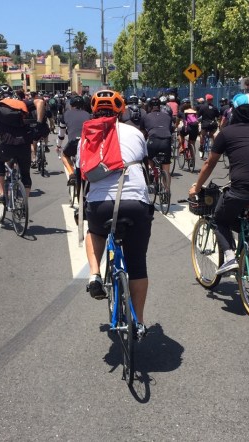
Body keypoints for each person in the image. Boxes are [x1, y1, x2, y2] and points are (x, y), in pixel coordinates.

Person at [83, 90, 152, 338]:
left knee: (94, 231)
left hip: (101, 206)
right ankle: (139, 322)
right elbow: (144, 160)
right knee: (137, 264)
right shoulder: (134, 132)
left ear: (94, 111)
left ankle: (94, 275)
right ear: (121, 110)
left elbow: (83, 171)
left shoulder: (87, 135)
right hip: (134, 202)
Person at [188, 93, 249, 274]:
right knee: (247, 217)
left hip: (240, 191)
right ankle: (246, 252)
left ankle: (229, 257)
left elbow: (209, 163)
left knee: (219, 220)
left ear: (234, 112)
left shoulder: (226, 133)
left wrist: (196, 187)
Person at [0, 86, 32, 201]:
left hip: (7, 145)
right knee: (25, 173)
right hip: (24, 145)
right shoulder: (22, 106)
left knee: (0, 163)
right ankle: (25, 202)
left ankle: (1, 193)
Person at [141, 97, 174, 194]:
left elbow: (143, 132)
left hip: (153, 141)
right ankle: (167, 191)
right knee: (166, 170)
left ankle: (152, 170)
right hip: (166, 141)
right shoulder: (167, 116)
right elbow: (170, 130)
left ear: (149, 107)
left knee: (149, 158)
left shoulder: (146, 117)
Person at [56, 94, 90, 182]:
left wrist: (58, 146)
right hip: (86, 144)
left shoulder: (66, 115)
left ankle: (71, 174)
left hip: (73, 143)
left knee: (64, 155)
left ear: (71, 106)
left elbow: (61, 135)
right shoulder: (88, 115)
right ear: (83, 106)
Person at [197, 94, 220, 158]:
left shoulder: (203, 107)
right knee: (211, 135)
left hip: (205, 124)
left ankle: (201, 146)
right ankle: (213, 146)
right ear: (212, 100)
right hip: (213, 125)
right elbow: (218, 116)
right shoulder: (215, 107)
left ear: (206, 99)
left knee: (202, 135)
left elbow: (198, 116)